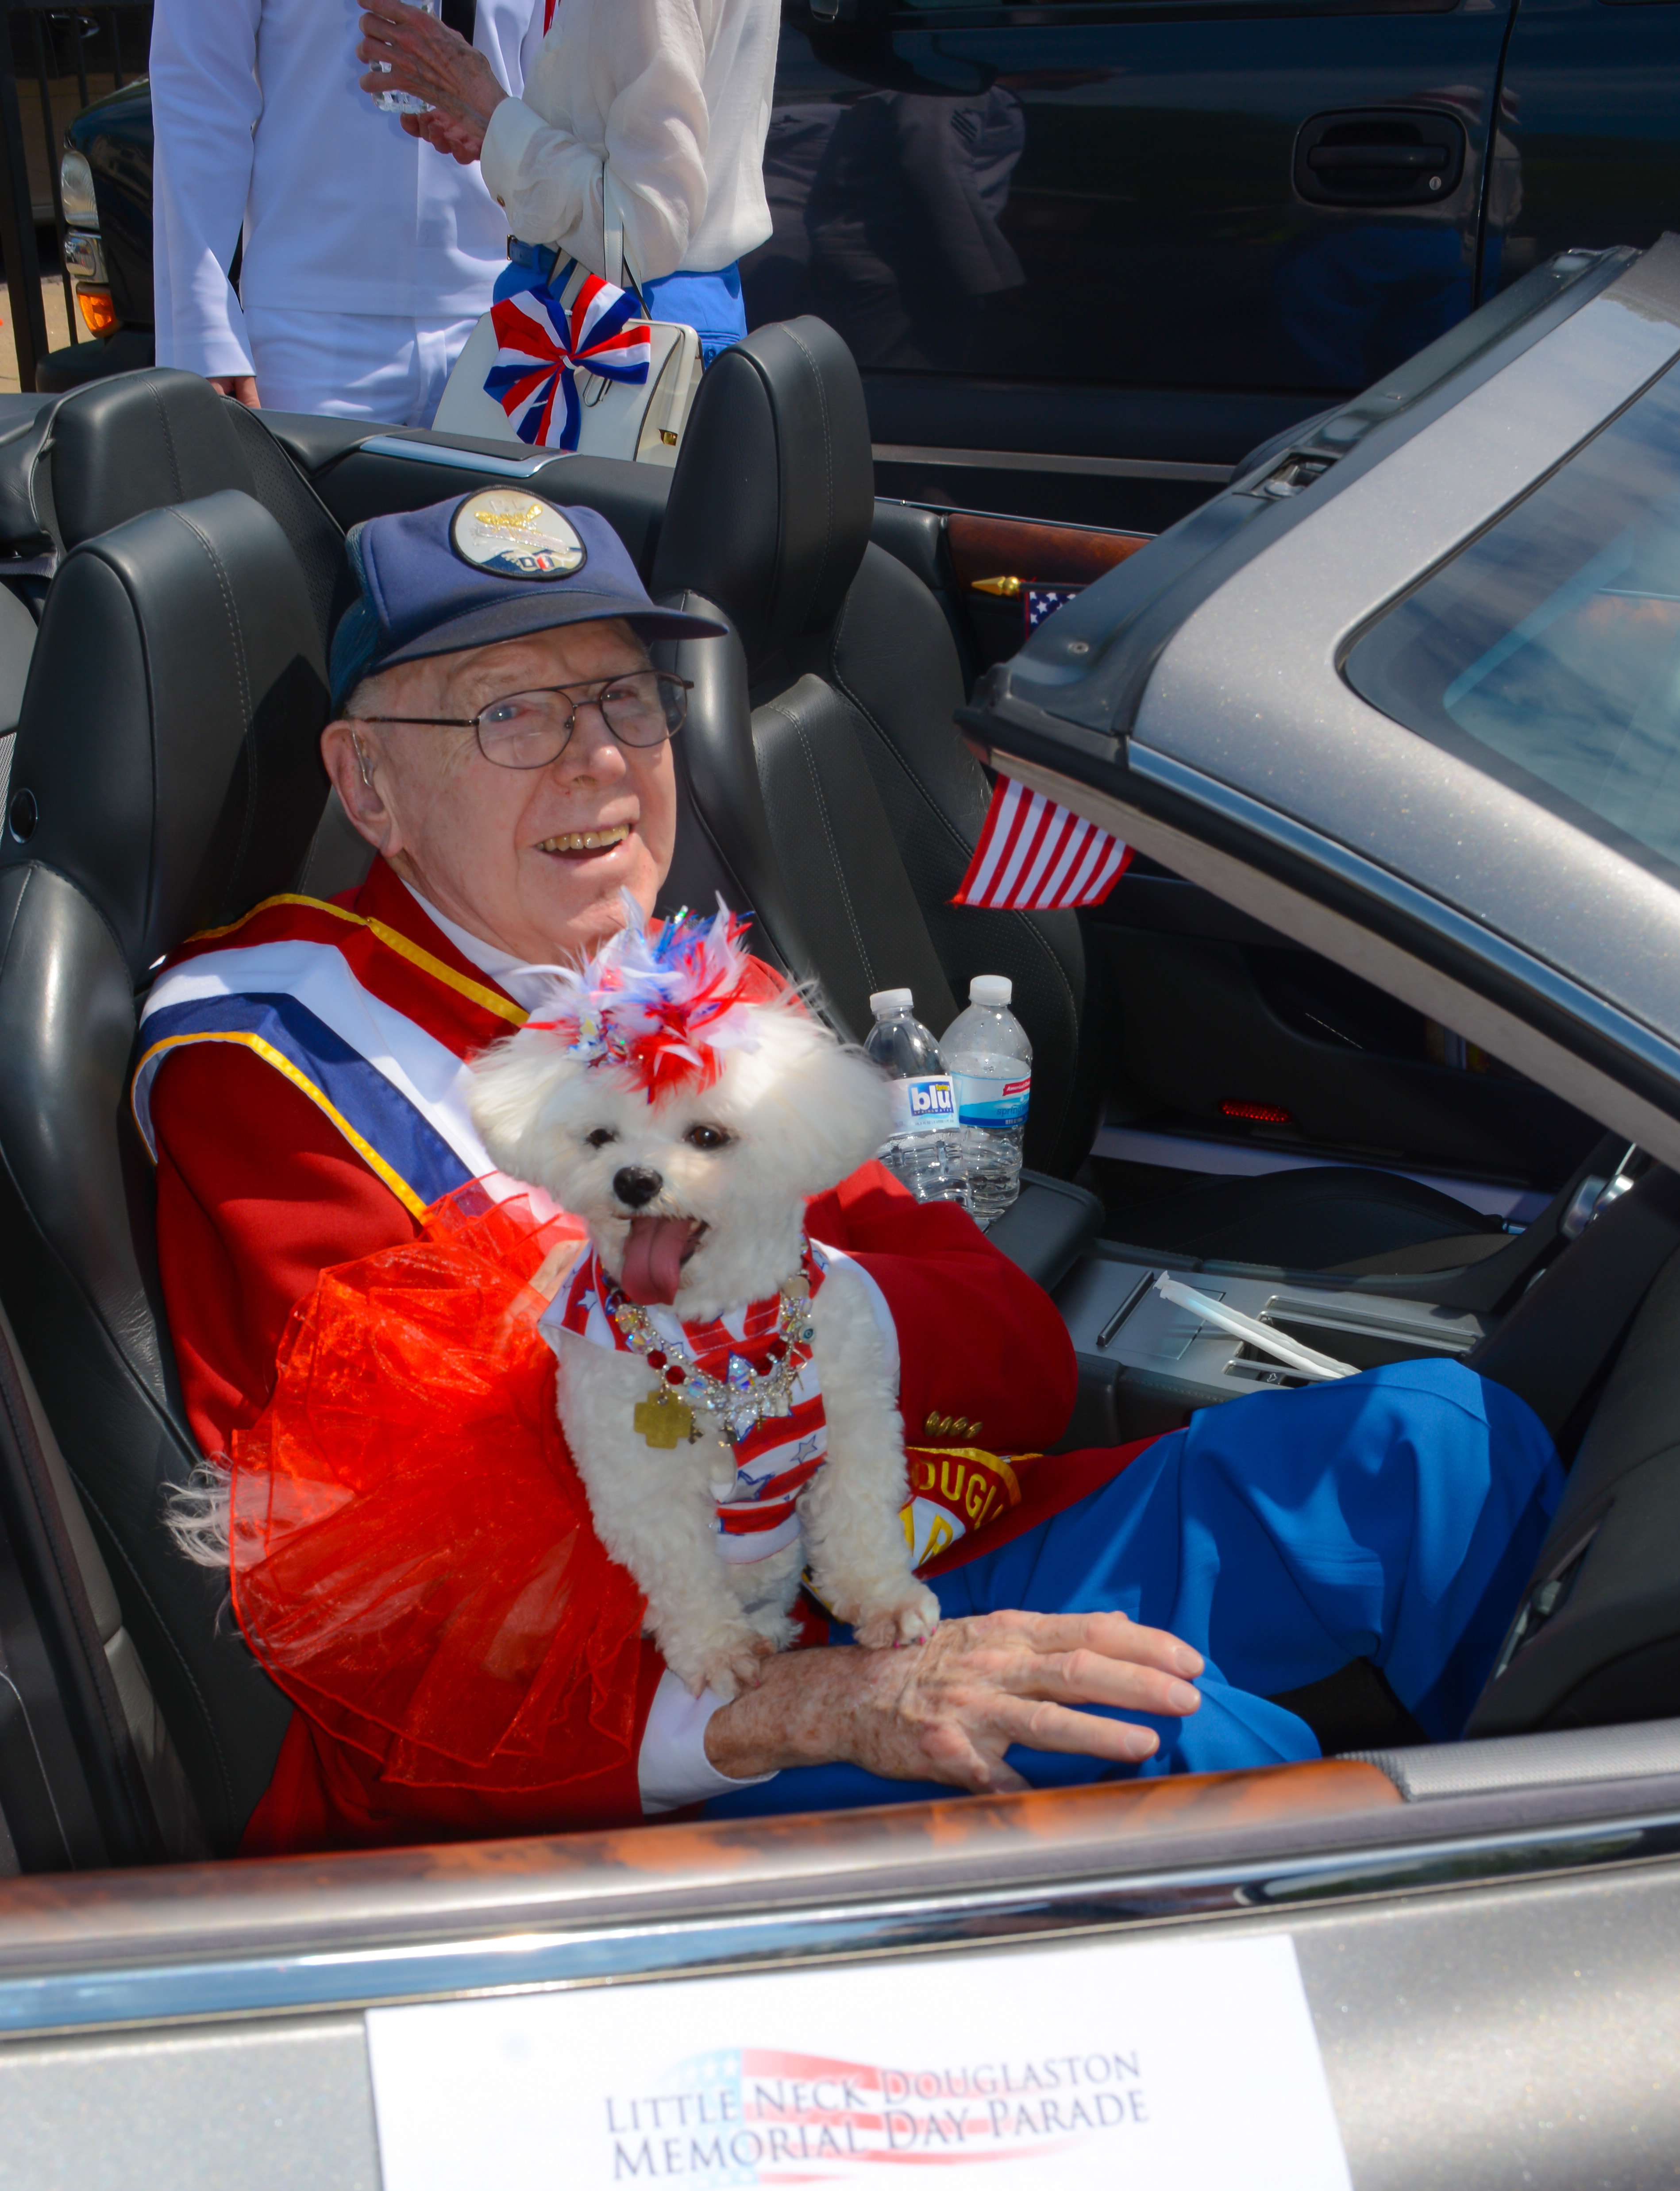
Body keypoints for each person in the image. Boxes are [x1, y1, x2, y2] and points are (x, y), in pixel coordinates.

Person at [133, 488, 1564, 1854]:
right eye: (512, 712)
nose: (599, 760)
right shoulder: (282, 1068)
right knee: (1189, 1748)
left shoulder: (701, 992)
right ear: (367, 783)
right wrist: (814, 1702)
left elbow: (1009, 1352)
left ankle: (1604, 1858)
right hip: (621, 1739)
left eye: (626, 699)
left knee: (1436, 1446)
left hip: (883, 1551)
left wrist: (803, 1305)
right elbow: (413, 1618)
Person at [150, 0, 547, 420]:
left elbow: (559, 85)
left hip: (506, 313)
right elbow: (198, 95)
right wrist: (203, 333)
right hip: (306, 332)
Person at [357, 0, 779, 363]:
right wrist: (498, 132)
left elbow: (641, 230)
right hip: (667, 318)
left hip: (614, 333)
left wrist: (489, 113)